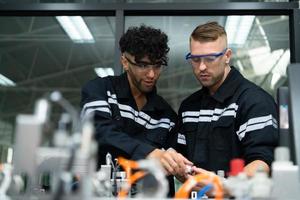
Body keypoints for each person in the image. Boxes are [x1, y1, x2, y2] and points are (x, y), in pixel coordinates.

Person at [80, 25, 191, 196]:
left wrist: (175, 162)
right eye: (143, 65)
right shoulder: (100, 91)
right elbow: (99, 132)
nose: (152, 74)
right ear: (125, 61)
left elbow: (171, 165)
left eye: (157, 65)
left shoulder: (167, 116)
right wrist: (150, 153)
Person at [176, 21, 279, 180]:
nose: (202, 67)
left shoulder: (254, 101)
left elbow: (262, 163)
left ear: (227, 56)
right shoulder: (188, 107)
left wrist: (223, 188)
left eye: (210, 58)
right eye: (196, 59)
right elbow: (181, 162)